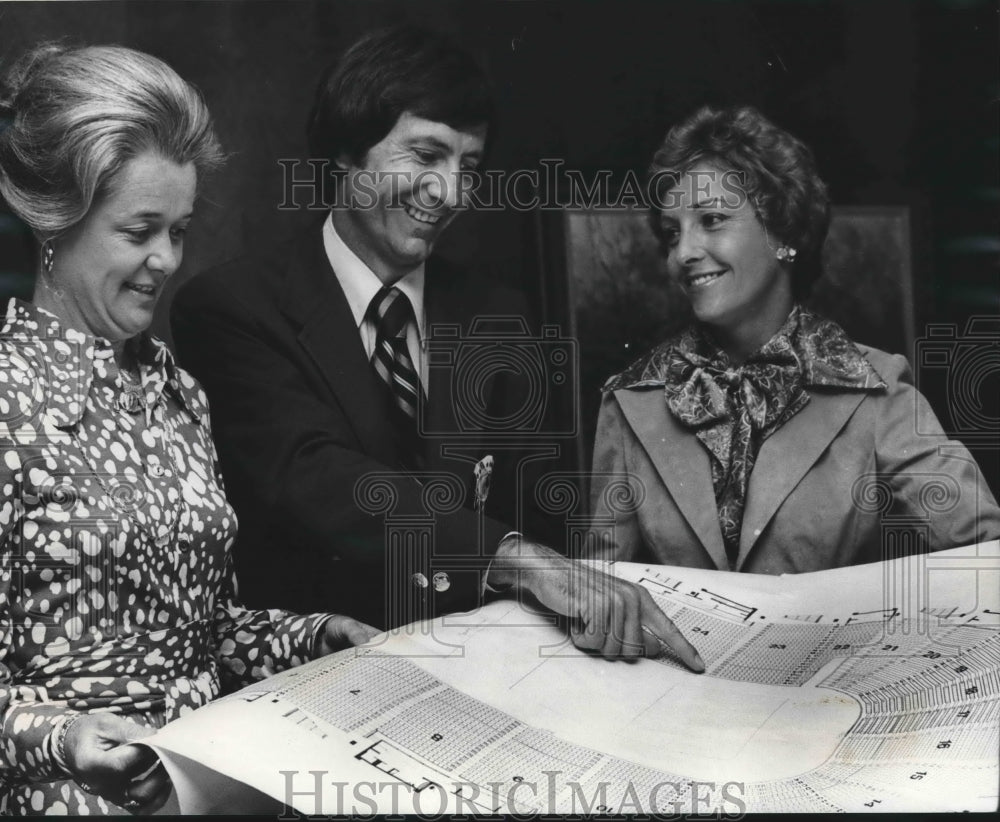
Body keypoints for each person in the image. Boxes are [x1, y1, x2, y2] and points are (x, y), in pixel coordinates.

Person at [171, 26, 702, 670]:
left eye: (468, 168)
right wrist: (512, 557)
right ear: (345, 154)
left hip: (482, 676)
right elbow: (312, 477)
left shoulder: (500, 317)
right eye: (425, 156)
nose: (451, 193)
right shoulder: (230, 307)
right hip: (312, 679)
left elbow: (545, 514)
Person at [0, 44, 379, 815]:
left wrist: (312, 639)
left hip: (210, 786)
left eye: (178, 229)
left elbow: (201, 632)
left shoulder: (178, 392)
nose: (166, 260)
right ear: (54, 220)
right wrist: (59, 736)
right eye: (139, 230)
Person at [589, 105, 1000, 572]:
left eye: (712, 220)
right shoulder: (628, 404)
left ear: (782, 231)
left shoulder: (880, 395)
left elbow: (988, 561)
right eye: (671, 233)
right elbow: (600, 597)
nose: (683, 252)